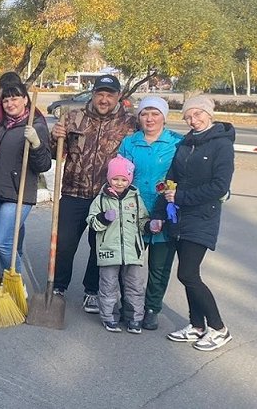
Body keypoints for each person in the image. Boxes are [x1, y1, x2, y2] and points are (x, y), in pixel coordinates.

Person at [50, 74, 137, 314]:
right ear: (93, 94)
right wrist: (54, 136)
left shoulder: (130, 124)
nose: (104, 99)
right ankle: (58, 287)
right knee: (65, 243)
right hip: (73, 192)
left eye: (110, 94)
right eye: (100, 93)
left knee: (99, 246)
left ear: (118, 96)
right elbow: (54, 153)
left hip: (107, 197)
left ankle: (92, 290)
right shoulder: (73, 118)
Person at [162, 96, 236, 352]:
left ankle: (219, 328)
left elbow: (219, 186)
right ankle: (197, 325)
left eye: (197, 114)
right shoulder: (186, 143)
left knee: (188, 274)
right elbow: (173, 174)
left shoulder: (222, 145)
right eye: (188, 117)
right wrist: (168, 187)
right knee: (187, 275)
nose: (193, 120)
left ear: (209, 114)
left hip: (203, 216)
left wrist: (181, 196)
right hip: (180, 216)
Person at [118, 96, 183, 331]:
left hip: (165, 212)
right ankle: (129, 305)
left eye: (155, 114)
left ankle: (152, 308)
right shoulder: (129, 143)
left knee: (159, 265)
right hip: (133, 212)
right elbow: (120, 175)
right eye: (145, 113)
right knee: (129, 262)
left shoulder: (176, 143)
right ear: (139, 117)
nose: (150, 118)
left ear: (164, 117)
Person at [0, 82, 52, 277]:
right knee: (7, 242)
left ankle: (17, 284)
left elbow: (44, 164)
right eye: (5, 100)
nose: (9, 103)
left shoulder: (36, 126)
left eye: (14, 98)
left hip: (18, 194)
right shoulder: (1, 126)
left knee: (3, 241)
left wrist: (37, 144)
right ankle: (9, 284)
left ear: (25, 99)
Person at [87, 156, 149, 333]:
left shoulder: (135, 199)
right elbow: (92, 222)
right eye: (115, 179)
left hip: (132, 251)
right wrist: (103, 218)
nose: (119, 183)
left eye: (124, 179)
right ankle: (109, 316)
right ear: (109, 178)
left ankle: (134, 318)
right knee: (108, 285)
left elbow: (142, 220)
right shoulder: (101, 199)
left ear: (129, 180)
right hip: (109, 251)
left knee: (135, 286)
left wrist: (149, 225)